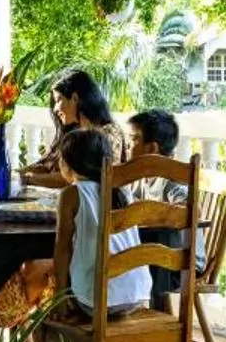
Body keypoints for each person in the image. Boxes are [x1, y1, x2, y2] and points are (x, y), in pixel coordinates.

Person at [50, 128, 153, 318]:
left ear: (68, 164)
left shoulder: (72, 194)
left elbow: (62, 250)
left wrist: (59, 301)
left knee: (41, 320)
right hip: (137, 294)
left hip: (96, 300)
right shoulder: (123, 190)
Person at [125, 110, 190, 310]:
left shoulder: (171, 180)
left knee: (144, 258)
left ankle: (158, 329)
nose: (128, 147)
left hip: (179, 263)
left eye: (133, 141)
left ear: (152, 148)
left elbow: (190, 209)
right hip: (155, 255)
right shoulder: (141, 179)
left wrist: (148, 213)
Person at [23, 68, 124, 189]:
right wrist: (14, 174)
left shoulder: (109, 133)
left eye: (58, 100)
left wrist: (28, 179)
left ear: (75, 98)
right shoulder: (74, 132)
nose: (55, 109)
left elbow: (75, 179)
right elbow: (44, 165)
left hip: (93, 206)